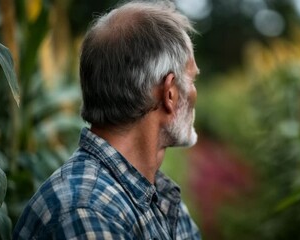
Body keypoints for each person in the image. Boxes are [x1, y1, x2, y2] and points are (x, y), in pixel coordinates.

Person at [13, 1, 201, 239]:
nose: (195, 92)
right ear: (170, 93)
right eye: (192, 80)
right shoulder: (85, 214)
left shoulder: (159, 197)